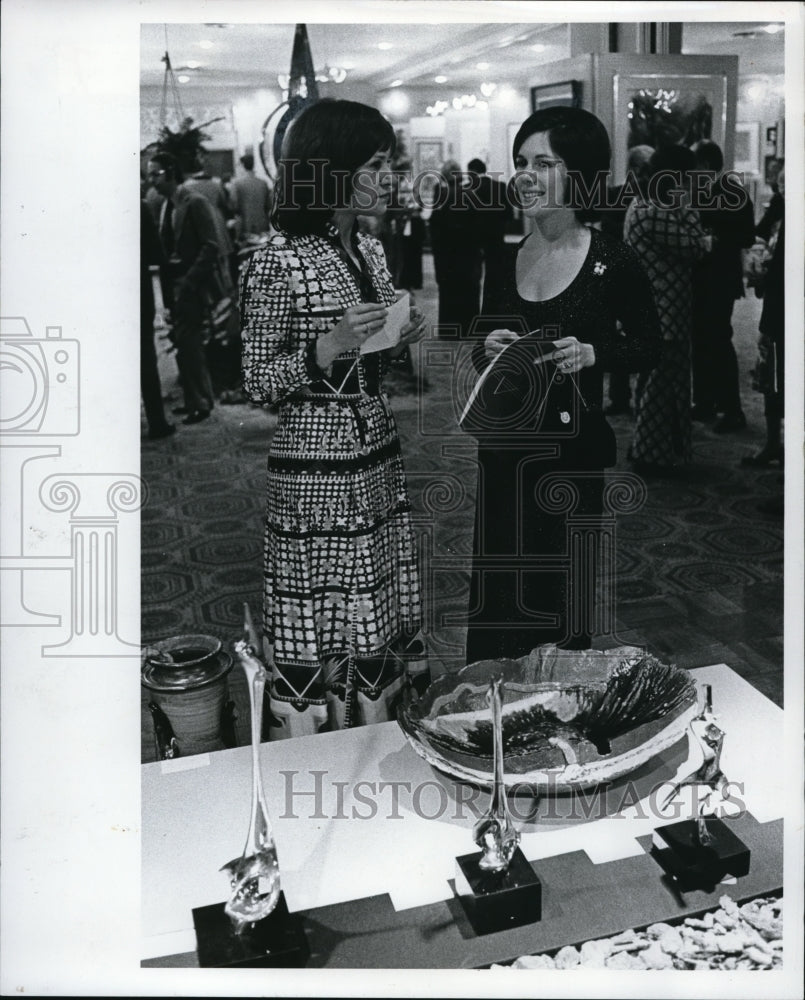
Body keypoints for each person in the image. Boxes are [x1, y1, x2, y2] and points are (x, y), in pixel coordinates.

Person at [240, 99, 429, 737]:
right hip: (315, 470)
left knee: (376, 596)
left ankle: (384, 735)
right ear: (334, 169)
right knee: (325, 608)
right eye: (376, 164)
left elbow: (366, 353)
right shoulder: (278, 259)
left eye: (389, 162)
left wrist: (394, 338)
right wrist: (326, 347)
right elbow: (259, 379)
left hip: (376, 450)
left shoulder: (370, 249)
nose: (390, 176)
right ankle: (325, 748)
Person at [464, 107, 662, 663]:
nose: (525, 175)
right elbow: (481, 350)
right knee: (500, 592)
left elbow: (653, 346)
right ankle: (494, 710)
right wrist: (490, 348)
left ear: (577, 175)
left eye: (543, 163)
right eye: (521, 162)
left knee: (558, 599)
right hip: (503, 452)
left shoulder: (612, 259)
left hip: (571, 459)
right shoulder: (504, 259)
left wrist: (595, 352)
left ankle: (554, 720)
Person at [625, 146, 711, 474]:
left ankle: (659, 451)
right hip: (663, 311)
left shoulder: (646, 204)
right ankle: (649, 454)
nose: (690, 184)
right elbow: (693, 247)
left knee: (662, 384)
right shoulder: (652, 210)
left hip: (661, 309)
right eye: (687, 178)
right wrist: (690, 212)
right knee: (662, 387)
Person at [147, 151, 218, 424]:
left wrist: (189, 281)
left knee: (191, 345)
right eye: (149, 174)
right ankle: (193, 400)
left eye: (156, 173)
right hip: (175, 285)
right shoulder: (167, 204)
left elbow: (210, 245)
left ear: (171, 172)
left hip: (192, 285)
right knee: (184, 344)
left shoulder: (195, 202)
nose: (152, 180)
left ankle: (200, 402)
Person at [690, 140, 756, 431]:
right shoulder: (708, 191)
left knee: (717, 339)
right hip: (707, 278)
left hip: (719, 278)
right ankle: (705, 401)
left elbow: (746, 236)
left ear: (704, 165)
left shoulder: (731, 191)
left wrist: (714, 240)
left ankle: (732, 410)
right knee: (703, 340)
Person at [599, 144, 654, 417]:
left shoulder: (616, 195)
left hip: (623, 274)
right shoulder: (651, 200)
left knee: (622, 336)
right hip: (633, 276)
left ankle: (622, 397)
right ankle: (637, 397)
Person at [741, 169, 785, 495]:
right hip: (776, 309)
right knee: (772, 381)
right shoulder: (783, 207)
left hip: (785, 309)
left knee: (783, 383)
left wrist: (763, 275)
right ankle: (774, 445)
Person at [429, 159, 483, 338]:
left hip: (447, 254)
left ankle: (449, 330)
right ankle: (468, 328)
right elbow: (479, 225)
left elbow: (434, 226)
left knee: (448, 292)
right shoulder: (471, 194)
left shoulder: (441, 196)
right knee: (469, 290)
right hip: (468, 253)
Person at [140, 200, 175, 440]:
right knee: (145, 356)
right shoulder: (138, 206)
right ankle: (156, 421)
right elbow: (157, 254)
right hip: (136, 290)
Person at [467, 157, 510, 292]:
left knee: (473, 276)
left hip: (474, 239)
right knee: (495, 275)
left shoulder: (467, 190)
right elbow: (508, 213)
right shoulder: (500, 186)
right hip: (496, 236)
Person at [231, 152, 273, 239]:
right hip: (263, 225)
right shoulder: (263, 183)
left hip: (245, 226)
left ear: (242, 166)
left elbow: (234, 206)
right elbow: (269, 205)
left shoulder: (237, 184)